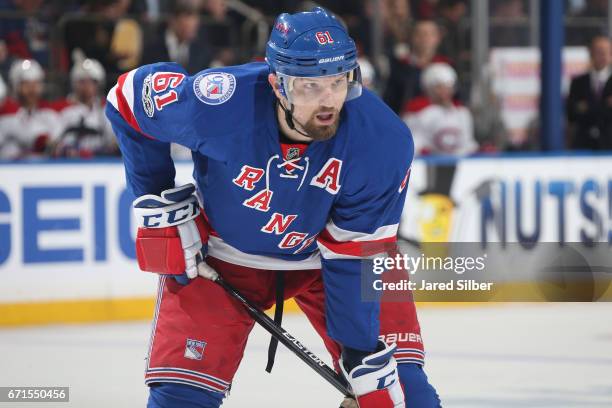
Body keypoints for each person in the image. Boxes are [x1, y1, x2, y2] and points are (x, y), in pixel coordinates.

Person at [105, 7, 440, 408]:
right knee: (180, 398)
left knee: (406, 394)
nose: (328, 101)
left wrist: (360, 354)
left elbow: (354, 256)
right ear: (277, 84)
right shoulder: (219, 105)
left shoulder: (381, 141)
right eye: (309, 87)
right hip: (223, 259)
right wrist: (156, 197)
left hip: (328, 259)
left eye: (338, 82)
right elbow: (127, 98)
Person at [403, 63, 477, 156]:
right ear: (429, 89)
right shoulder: (419, 114)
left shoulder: (463, 114)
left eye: (448, 86)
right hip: (430, 167)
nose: (444, 91)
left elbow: (468, 145)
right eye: (439, 87)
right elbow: (414, 147)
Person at [54, 58, 118, 158]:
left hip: (99, 162)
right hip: (68, 162)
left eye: (92, 81)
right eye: (82, 81)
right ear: (74, 84)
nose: (87, 86)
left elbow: (113, 141)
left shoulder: (105, 110)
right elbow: (54, 143)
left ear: (99, 84)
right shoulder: (64, 109)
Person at [0, 59, 62, 159]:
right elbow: (26, 134)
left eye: (36, 83)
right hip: (8, 170)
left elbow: (57, 143)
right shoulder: (6, 113)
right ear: (15, 86)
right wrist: (42, 141)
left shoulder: (50, 114)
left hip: (44, 170)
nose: (32, 89)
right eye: (26, 84)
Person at [567, 35, 612, 150]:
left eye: (606, 51)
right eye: (599, 51)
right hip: (583, 144)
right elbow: (572, 113)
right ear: (591, 53)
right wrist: (605, 105)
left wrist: (587, 107)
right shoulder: (578, 82)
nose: (603, 55)